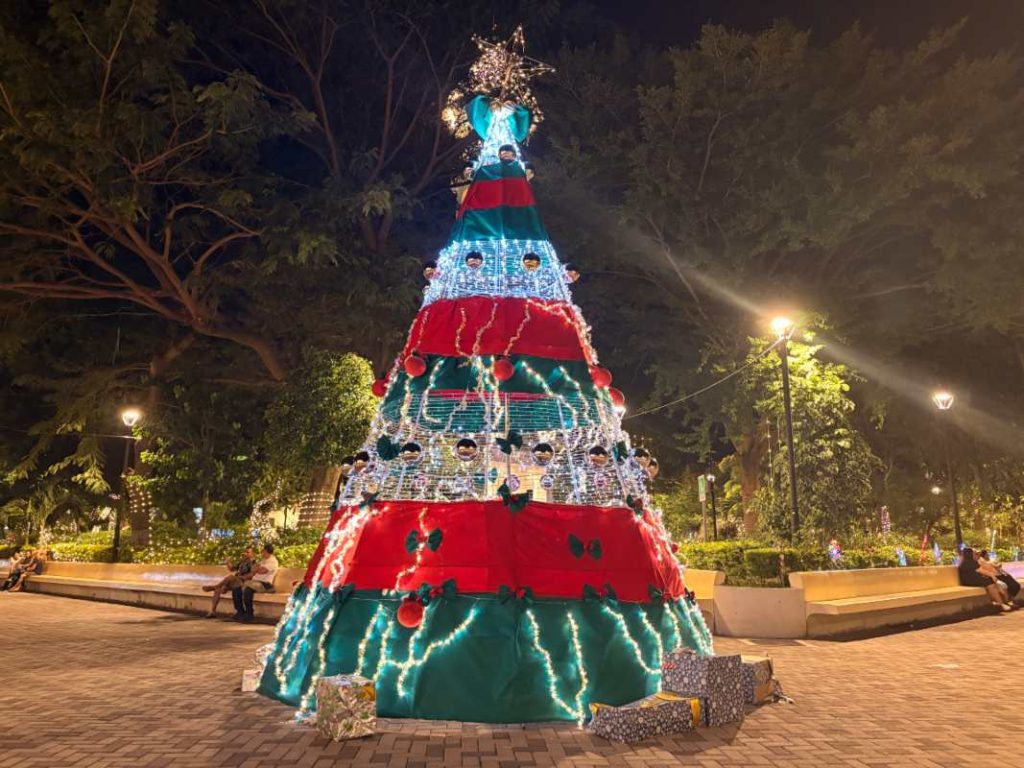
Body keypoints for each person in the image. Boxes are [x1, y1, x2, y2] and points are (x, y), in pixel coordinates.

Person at [202, 546, 254, 618]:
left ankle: (214, 586)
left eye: (248, 552)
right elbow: (232, 569)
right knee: (219, 589)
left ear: (253, 554)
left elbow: (251, 575)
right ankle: (212, 611)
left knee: (230, 577)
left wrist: (240, 577)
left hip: (243, 581)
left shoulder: (253, 562)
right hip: (235, 581)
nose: (245, 554)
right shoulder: (242, 561)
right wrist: (227, 562)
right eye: (245, 552)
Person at [231, 543, 279, 622]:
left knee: (248, 590)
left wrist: (257, 569)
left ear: (266, 551)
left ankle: (249, 614)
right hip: (254, 582)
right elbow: (253, 570)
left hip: (265, 584)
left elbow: (261, 571)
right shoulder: (263, 560)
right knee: (236, 588)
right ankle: (240, 612)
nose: (261, 552)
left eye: (263, 551)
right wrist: (257, 569)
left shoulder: (273, 561)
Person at [958, 546, 1011, 611]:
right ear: (970, 554)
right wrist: (992, 575)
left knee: (990, 581)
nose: (975, 555)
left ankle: (997, 601)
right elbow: (980, 570)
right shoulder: (969, 562)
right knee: (989, 583)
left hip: (969, 580)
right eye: (974, 553)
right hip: (968, 581)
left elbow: (977, 572)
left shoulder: (966, 562)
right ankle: (1001, 604)